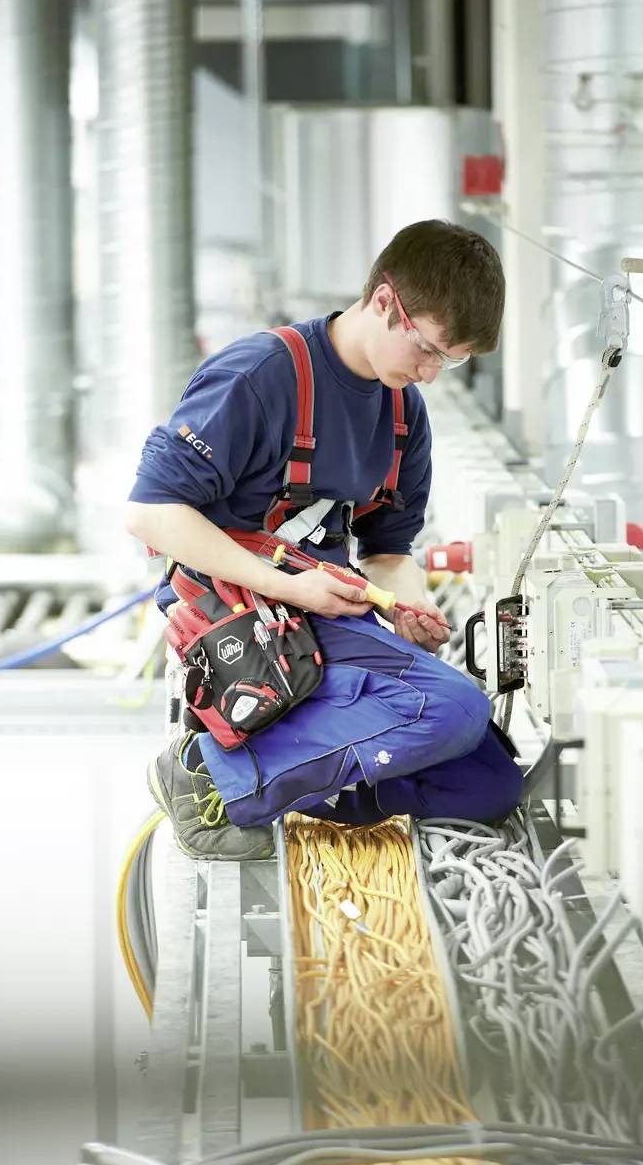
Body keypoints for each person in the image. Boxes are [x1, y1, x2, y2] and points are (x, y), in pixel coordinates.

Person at [125, 219, 523, 859]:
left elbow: (388, 554)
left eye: (452, 362)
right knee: (454, 708)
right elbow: (152, 513)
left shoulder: (402, 413)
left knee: (489, 784)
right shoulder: (259, 376)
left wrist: (408, 607)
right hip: (243, 621)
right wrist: (288, 585)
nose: (432, 374)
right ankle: (207, 772)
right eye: (429, 350)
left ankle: (289, 785)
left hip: (326, 616)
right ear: (386, 302)